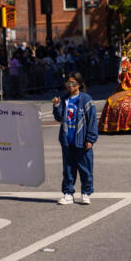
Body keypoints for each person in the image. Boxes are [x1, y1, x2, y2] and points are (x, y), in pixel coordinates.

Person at [52, 72, 98, 205]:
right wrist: (56, 106)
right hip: (67, 140)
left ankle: (86, 192)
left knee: (85, 168)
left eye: (73, 83)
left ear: (79, 84)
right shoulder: (64, 99)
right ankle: (68, 193)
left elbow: (92, 121)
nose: (70, 86)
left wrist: (90, 138)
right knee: (68, 169)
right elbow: (59, 117)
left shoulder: (86, 99)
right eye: (68, 83)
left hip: (82, 140)